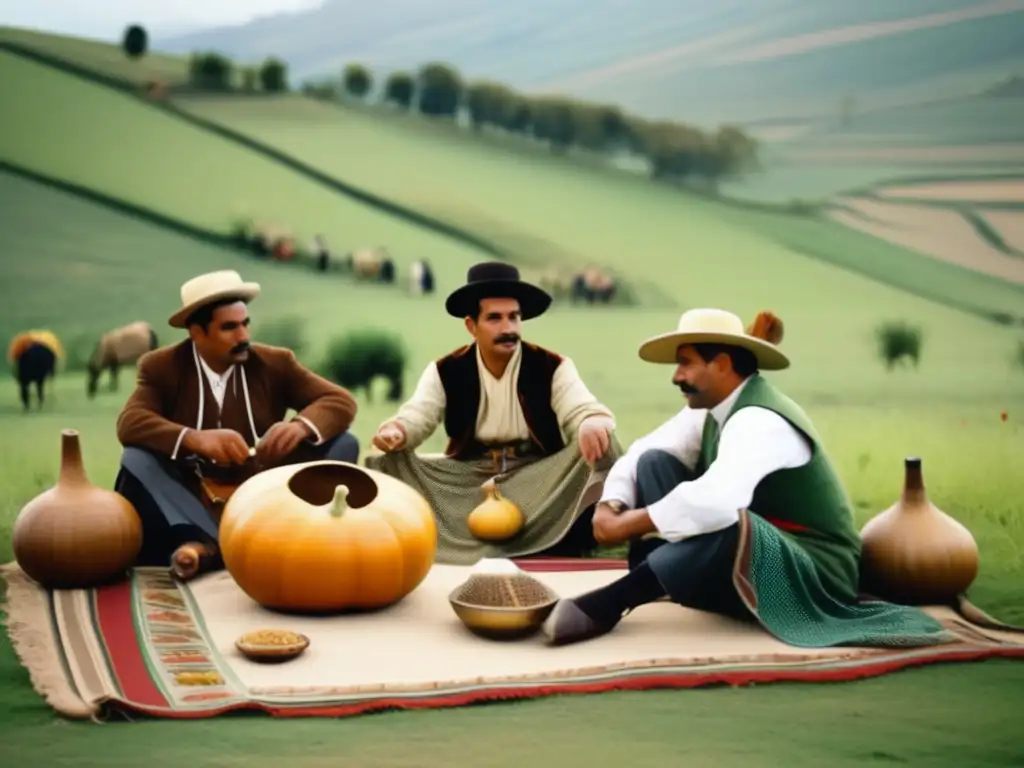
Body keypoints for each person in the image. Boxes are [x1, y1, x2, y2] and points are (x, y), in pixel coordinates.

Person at [542, 307, 954, 649]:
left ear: (721, 364)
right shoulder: (709, 411)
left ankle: (613, 602)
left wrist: (628, 524)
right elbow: (639, 456)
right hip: (751, 555)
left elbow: (719, 500)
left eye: (685, 363)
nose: (675, 376)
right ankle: (668, 577)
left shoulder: (762, 420)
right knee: (654, 462)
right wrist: (610, 505)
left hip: (812, 572)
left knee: (723, 518)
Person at [365, 261, 622, 563]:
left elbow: (580, 407)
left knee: (603, 444)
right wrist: (398, 431)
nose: (508, 328)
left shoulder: (552, 366)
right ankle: (440, 540)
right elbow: (419, 415)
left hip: (538, 479)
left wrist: (590, 421)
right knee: (382, 463)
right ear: (471, 326)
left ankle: (578, 537)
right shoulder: (445, 370)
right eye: (495, 318)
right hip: (468, 478)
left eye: (514, 317)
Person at [114, 270, 360, 581]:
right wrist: (194, 439)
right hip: (192, 493)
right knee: (136, 458)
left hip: (265, 490)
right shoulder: (162, 367)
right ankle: (225, 544)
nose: (243, 336)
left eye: (245, 324)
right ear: (196, 332)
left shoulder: (274, 363)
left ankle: (234, 546)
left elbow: (340, 401)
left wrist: (299, 427)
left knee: (344, 443)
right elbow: (130, 423)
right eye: (229, 327)